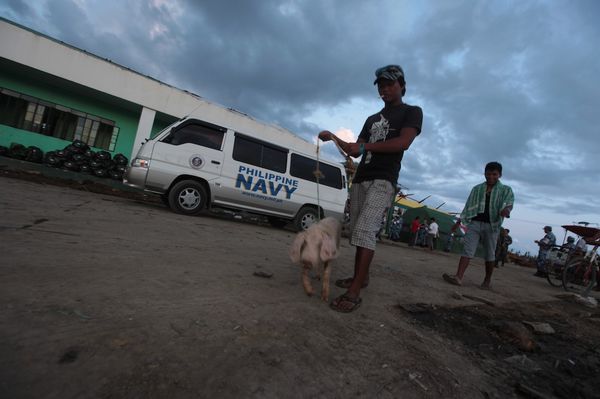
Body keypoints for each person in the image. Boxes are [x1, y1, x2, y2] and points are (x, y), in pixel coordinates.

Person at [318, 64, 423, 312]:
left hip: (383, 180)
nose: (385, 89)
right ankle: (361, 278)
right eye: (381, 86)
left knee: (365, 230)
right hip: (362, 179)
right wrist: (334, 137)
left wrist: (364, 148)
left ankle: (354, 292)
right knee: (357, 232)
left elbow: (403, 143)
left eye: (390, 84)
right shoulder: (371, 119)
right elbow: (355, 149)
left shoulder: (412, 112)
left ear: (402, 86)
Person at [442, 162, 514, 289]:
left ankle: (487, 281)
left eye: (494, 174)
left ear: (500, 175)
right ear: (484, 174)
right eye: (488, 174)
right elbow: (468, 206)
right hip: (474, 223)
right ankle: (458, 277)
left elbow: (509, 203)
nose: (491, 177)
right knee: (467, 250)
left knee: (490, 254)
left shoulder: (506, 190)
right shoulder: (477, 189)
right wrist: (458, 222)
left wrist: (506, 211)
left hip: (492, 226)